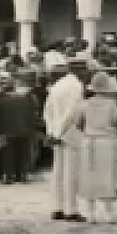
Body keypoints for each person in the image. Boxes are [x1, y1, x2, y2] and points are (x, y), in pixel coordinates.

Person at [46, 58, 89, 221]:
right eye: (85, 70)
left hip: (57, 132)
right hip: (70, 132)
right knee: (71, 173)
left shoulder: (57, 85)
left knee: (58, 171)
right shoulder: (76, 86)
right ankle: (71, 210)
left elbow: (47, 111)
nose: (87, 73)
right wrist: (59, 132)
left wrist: (52, 131)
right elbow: (72, 112)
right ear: (79, 70)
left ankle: (57, 207)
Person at [79, 72, 117, 224]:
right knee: (107, 176)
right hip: (106, 141)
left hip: (89, 141)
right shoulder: (112, 104)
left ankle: (90, 213)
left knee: (89, 175)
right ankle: (109, 213)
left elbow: (79, 123)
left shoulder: (84, 103)